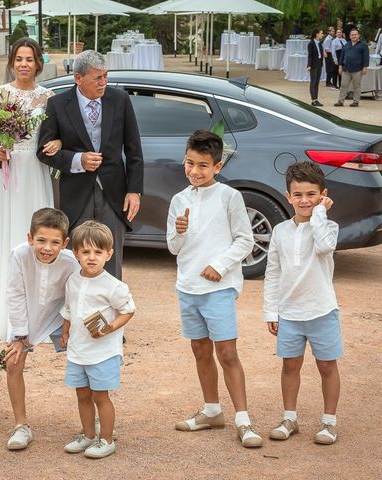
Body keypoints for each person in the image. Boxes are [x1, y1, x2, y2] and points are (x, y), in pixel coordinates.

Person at [167, 129, 262, 448]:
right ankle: (212, 410)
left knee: (227, 352)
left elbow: (245, 240)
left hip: (219, 288)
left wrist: (219, 266)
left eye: (203, 165)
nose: (195, 171)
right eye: (190, 163)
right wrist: (179, 232)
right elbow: (173, 248)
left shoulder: (229, 197)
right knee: (200, 350)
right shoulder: (179, 200)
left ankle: (244, 420)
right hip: (188, 288)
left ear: (217, 167)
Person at [0, 38, 61, 342]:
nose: (24, 64)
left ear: (39, 63)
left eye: (30, 59)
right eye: (18, 59)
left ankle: (36, 314)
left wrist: (58, 143)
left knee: (33, 230)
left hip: (34, 172)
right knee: (5, 237)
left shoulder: (49, 97)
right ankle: (2, 311)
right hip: (4, 172)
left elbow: (58, 135)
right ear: (11, 62)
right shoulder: (0, 94)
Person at [37, 49, 144, 281]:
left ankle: (112, 314)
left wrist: (134, 190)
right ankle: (76, 312)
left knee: (110, 256)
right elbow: (43, 152)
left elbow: (134, 147)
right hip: (76, 194)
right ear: (78, 78)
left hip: (114, 193)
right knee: (76, 257)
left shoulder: (120, 99)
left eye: (105, 76)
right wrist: (78, 160)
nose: (104, 82)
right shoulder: (57, 104)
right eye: (97, 77)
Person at [264, 162, 341, 445]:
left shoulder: (327, 226)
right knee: (290, 366)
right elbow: (273, 272)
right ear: (288, 196)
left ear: (323, 194)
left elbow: (323, 246)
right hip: (290, 313)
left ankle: (329, 423)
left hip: (322, 309)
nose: (304, 200)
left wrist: (321, 213)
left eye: (311, 194)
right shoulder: (281, 231)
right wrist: (271, 310)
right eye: (298, 195)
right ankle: (290, 418)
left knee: (327, 366)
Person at [4, 208, 79, 450]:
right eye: (41, 241)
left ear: (65, 243)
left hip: (61, 314)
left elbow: (76, 298)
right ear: (30, 238)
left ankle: (94, 421)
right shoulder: (18, 255)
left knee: (84, 361)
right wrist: (20, 335)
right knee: (13, 362)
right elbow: (15, 294)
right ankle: (21, 426)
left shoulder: (71, 262)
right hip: (29, 312)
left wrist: (68, 328)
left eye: (55, 242)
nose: (47, 248)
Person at [60, 220, 135, 459]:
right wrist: (65, 331)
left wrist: (110, 327)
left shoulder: (114, 286)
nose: (92, 257)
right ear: (76, 253)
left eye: (98, 252)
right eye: (86, 252)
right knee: (82, 394)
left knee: (100, 396)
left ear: (109, 254)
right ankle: (89, 435)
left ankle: (107, 440)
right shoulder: (72, 280)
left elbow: (128, 310)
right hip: (77, 350)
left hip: (103, 353)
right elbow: (69, 309)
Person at [334, 28, 369, 107]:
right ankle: (340, 101)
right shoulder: (346, 44)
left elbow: (366, 57)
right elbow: (342, 56)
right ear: (349, 36)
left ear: (358, 35)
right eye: (352, 35)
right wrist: (340, 66)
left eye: (355, 34)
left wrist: (365, 67)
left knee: (357, 86)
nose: (354, 36)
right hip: (346, 69)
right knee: (343, 85)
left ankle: (355, 101)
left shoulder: (363, 45)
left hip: (357, 69)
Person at [307, 28, 325, 106]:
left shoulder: (320, 43)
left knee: (317, 82)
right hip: (314, 65)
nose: (322, 35)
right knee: (313, 82)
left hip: (319, 64)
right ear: (317, 34)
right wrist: (309, 65)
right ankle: (313, 100)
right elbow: (310, 55)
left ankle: (316, 99)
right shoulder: (311, 43)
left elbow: (320, 54)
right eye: (321, 33)